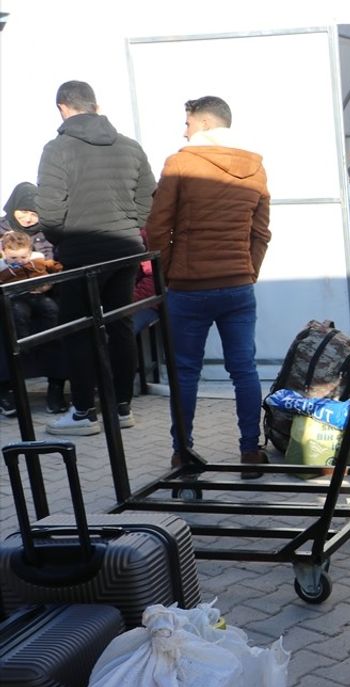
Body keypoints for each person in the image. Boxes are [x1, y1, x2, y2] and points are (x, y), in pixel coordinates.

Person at [144, 96, 271, 476]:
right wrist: (247, 273)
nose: (183, 131)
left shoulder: (181, 162)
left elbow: (157, 228)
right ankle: (251, 452)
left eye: (186, 123)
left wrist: (165, 274)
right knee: (244, 369)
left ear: (201, 123)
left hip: (188, 287)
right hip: (237, 287)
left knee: (184, 371)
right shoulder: (255, 166)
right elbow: (260, 232)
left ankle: (183, 453)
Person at [37, 80, 155, 436]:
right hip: (125, 250)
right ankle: (121, 408)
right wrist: (128, 228)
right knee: (118, 325)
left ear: (62, 107)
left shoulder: (58, 149)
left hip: (81, 254)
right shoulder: (130, 146)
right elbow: (148, 196)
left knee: (79, 330)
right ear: (95, 105)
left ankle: (84, 412)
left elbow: (50, 211)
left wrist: (65, 241)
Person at [0, 230, 68, 416]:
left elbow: (55, 268)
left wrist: (48, 283)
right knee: (16, 316)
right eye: (14, 257)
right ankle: (7, 388)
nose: (19, 261)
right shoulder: (4, 264)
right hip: (13, 301)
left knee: (53, 314)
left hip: (41, 296)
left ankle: (56, 387)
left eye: (23, 257)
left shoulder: (38, 256)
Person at [2, 182, 55, 258]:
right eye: (24, 212)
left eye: (34, 214)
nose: (28, 219)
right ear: (13, 207)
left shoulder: (48, 233)